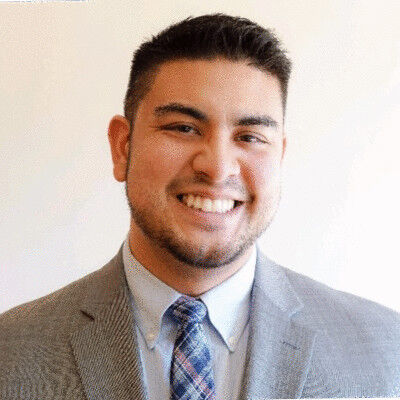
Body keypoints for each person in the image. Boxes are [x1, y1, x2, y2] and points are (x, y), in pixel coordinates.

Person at [1, 13, 399, 400]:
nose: (218, 167)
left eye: (250, 136)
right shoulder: (11, 352)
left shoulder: (386, 352)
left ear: (279, 156)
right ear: (123, 148)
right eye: (184, 128)